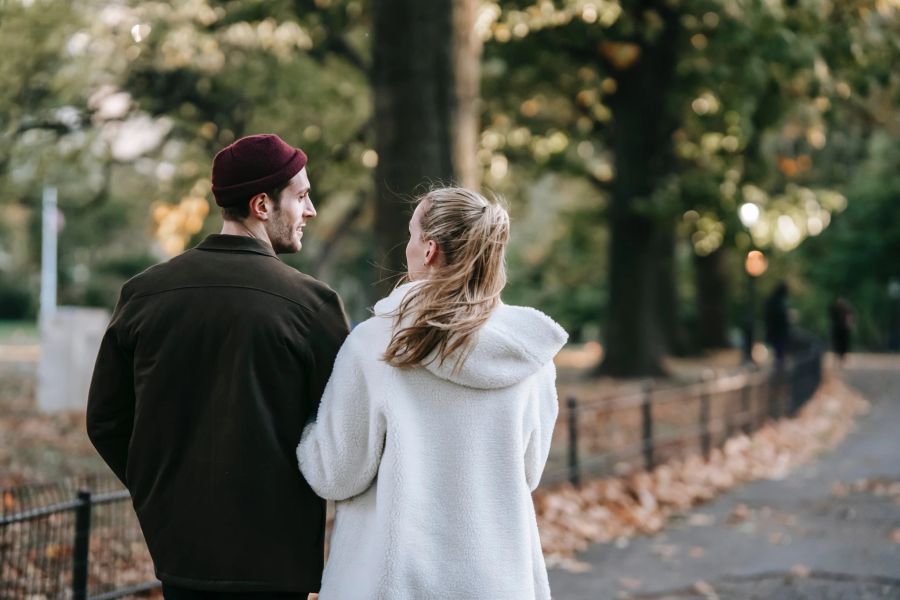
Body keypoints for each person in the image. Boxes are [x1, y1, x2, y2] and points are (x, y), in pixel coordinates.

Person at [87, 134, 349, 599]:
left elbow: (107, 421)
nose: (310, 211)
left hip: (178, 551)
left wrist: (161, 489)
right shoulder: (312, 306)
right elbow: (343, 432)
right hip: (276, 558)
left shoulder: (144, 294)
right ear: (262, 204)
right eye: (303, 197)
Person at [297, 187, 567, 599]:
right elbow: (527, 473)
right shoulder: (528, 357)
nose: (406, 246)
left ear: (429, 250)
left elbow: (335, 474)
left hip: (393, 582)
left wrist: (305, 435)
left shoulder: (377, 346)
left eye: (411, 234)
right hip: (497, 580)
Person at [764, 281, 790, 367]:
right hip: (778, 332)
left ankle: (778, 367)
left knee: (778, 353)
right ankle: (778, 369)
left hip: (775, 332)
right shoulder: (778, 303)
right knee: (779, 353)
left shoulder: (773, 301)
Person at [829, 297, 854, 364]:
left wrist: (849, 325)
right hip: (837, 329)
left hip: (843, 330)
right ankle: (838, 356)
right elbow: (832, 318)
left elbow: (849, 318)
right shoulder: (835, 310)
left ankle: (841, 357)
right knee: (837, 344)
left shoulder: (847, 309)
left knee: (843, 344)